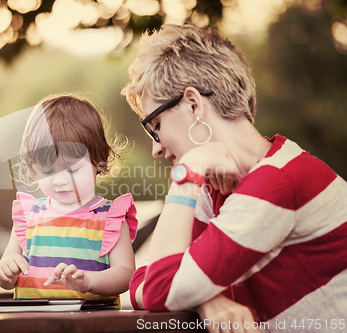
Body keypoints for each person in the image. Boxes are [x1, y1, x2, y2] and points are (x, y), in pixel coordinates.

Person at [121, 24, 347, 333]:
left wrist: (188, 170)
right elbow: (144, 280)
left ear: (192, 104)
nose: (156, 148)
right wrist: (205, 298)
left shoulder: (278, 181)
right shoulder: (216, 190)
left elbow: (162, 286)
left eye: (155, 124)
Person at [0, 94, 137, 305]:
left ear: (99, 162)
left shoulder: (110, 218)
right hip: (31, 321)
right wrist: (4, 271)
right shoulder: (29, 215)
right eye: (47, 170)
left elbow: (125, 275)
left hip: (91, 323)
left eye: (72, 169)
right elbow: (5, 275)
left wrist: (89, 281)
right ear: (33, 168)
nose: (60, 180)